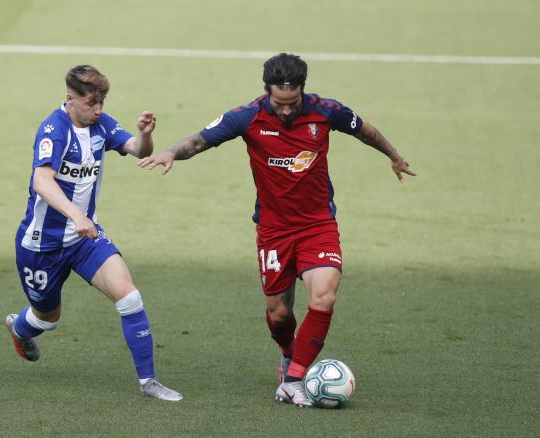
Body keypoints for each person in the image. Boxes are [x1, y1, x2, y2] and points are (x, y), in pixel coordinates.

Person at [138, 53, 415, 407]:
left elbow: (366, 131)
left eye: (292, 102)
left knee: (324, 296)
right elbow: (200, 140)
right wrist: (171, 153)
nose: (285, 110)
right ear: (267, 90)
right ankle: (289, 353)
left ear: (302, 90)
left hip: (317, 224)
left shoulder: (325, 111)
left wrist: (393, 155)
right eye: (279, 103)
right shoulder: (248, 116)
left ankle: (294, 378)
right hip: (273, 230)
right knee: (279, 314)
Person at [6, 65, 182, 401]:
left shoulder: (100, 122)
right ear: (71, 98)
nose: (98, 110)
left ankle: (148, 383)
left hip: (86, 238)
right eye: (91, 104)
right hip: (41, 245)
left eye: (101, 102)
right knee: (47, 318)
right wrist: (75, 215)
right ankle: (19, 328)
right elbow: (41, 181)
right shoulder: (53, 130)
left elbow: (138, 149)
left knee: (129, 295)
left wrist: (145, 134)